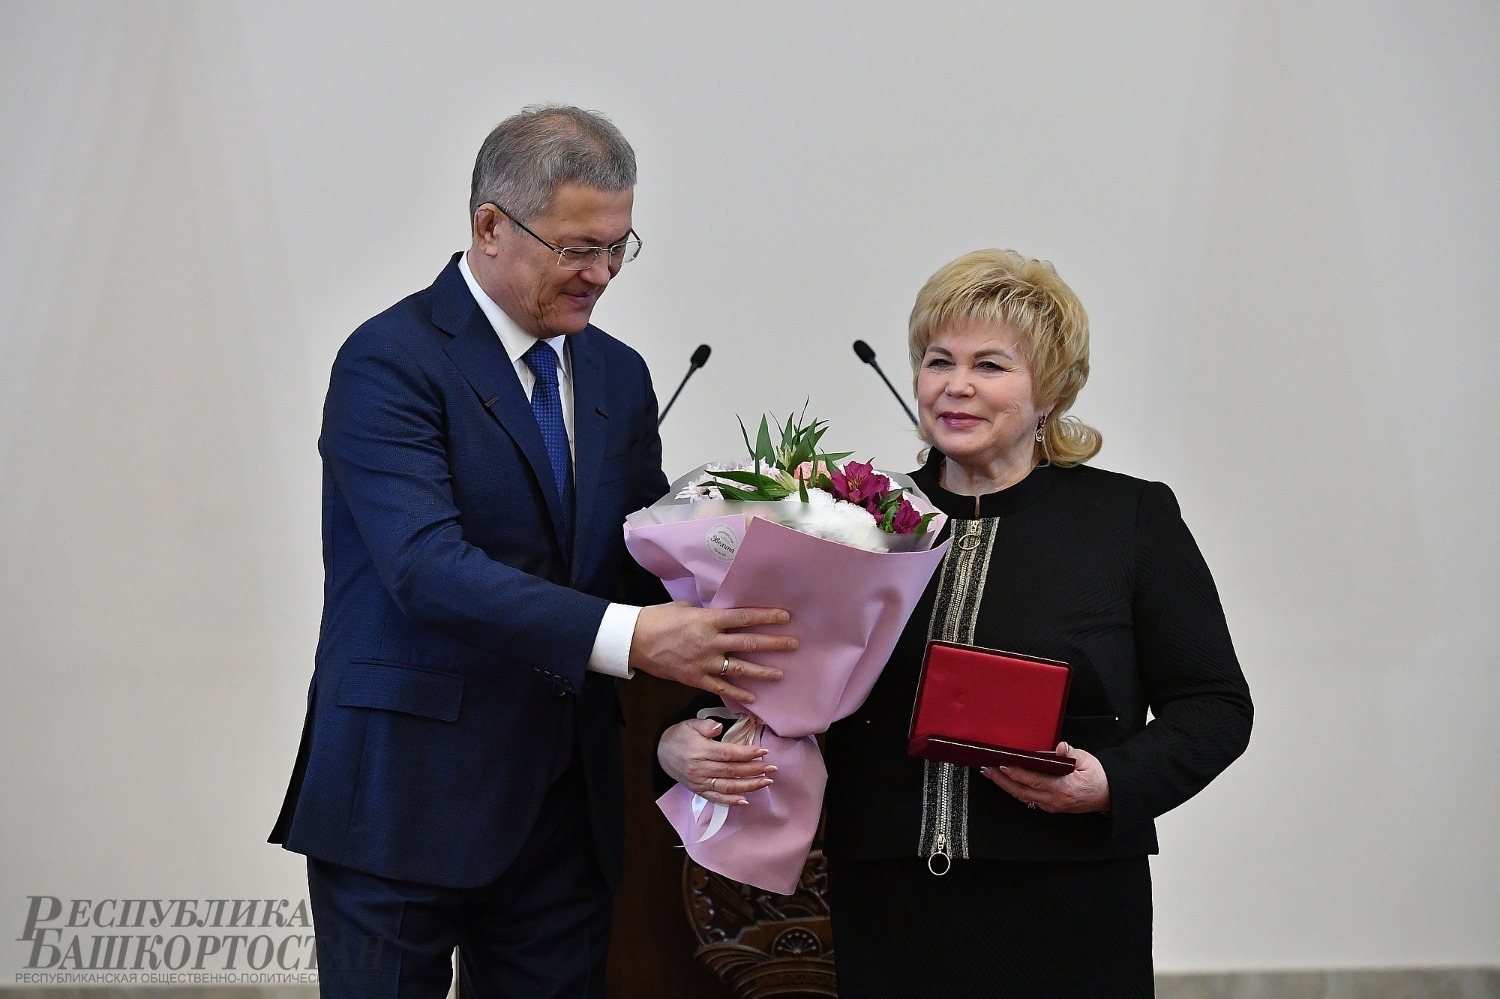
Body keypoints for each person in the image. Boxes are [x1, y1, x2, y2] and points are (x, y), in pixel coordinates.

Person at [269, 105, 795, 999]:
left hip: (562, 810)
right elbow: (425, 567)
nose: (602, 274)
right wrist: (633, 637)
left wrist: (771, 566)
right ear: (490, 227)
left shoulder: (617, 373)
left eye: (620, 248)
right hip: (405, 797)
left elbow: (637, 562)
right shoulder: (389, 360)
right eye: (578, 248)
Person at [658, 248, 1252, 997]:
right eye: (939, 361)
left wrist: (1111, 781)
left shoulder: (1129, 518)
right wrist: (677, 742)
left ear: (1050, 389)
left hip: (1068, 904)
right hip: (892, 907)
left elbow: (1215, 706)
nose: (956, 384)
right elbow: (753, 681)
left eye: (990, 365)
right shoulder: (855, 522)